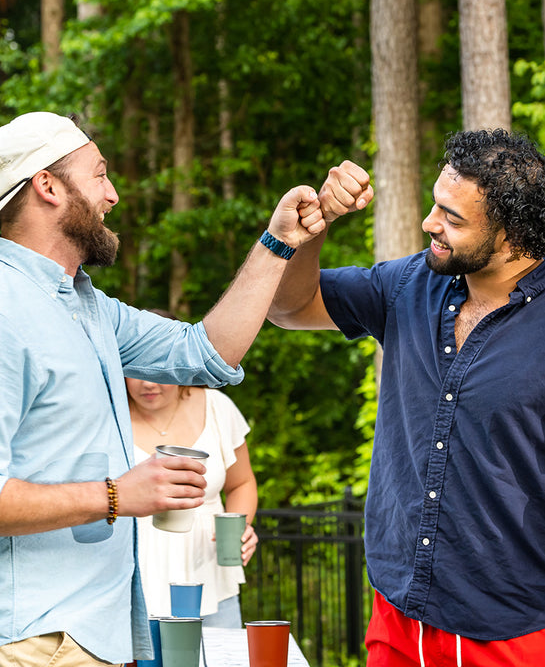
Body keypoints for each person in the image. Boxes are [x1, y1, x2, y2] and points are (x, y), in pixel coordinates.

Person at [0, 111, 326, 667]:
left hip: (90, 636)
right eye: (100, 175)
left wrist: (280, 241)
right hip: (35, 640)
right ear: (47, 186)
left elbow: (206, 352)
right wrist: (114, 496)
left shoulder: (89, 306)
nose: (114, 194)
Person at [267, 128, 545, 667]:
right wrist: (312, 230)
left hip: (512, 631)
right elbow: (287, 307)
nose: (429, 224)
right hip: (397, 613)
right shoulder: (409, 284)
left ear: (512, 235)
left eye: (453, 218)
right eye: (435, 204)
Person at [126, 312, 258, 627]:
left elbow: (242, 484)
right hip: (131, 585)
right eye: (136, 368)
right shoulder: (109, 414)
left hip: (210, 578)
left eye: (158, 367)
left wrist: (240, 528)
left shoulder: (218, 407)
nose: (148, 382)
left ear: (181, 362)